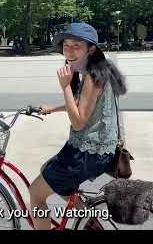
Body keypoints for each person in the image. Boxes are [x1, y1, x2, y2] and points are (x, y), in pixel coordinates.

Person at [29, 22, 127, 230]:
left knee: (36, 193)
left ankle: (89, 222)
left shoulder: (91, 77)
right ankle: (90, 222)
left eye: (77, 46)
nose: (70, 51)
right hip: (98, 151)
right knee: (48, 171)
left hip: (86, 154)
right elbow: (85, 105)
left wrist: (65, 86)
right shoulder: (100, 70)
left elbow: (79, 120)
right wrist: (53, 108)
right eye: (66, 46)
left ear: (90, 49)